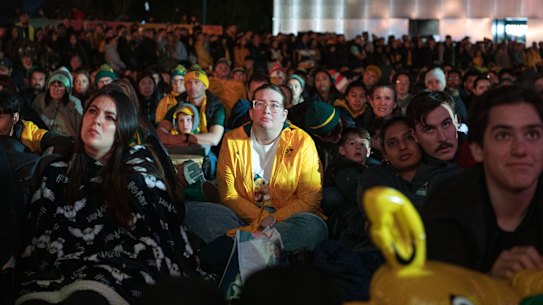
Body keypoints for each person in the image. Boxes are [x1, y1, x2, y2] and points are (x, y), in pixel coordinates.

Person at [16, 88, 201, 305]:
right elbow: (36, 238)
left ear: (122, 129)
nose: (96, 120)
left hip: (117, 275)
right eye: (92, 111)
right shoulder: (55, 171)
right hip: (54, 274)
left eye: (109, 117)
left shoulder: (140, 178)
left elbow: (159, 244)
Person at [184, 84, 327, 253]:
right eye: (260, 104)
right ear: (251, 112)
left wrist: (274, 218)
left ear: (284, 115)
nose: (267, 110)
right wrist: (260, 220)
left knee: (313, 226)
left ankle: (235, 249)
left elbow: (309, 199)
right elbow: (229, 195)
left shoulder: (303, 142)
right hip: (245, 215)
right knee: (194, 211)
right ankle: (262, 250)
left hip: (285, 218)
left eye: (274, 105)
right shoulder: (232, 140)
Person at [422, 85, 543, 279]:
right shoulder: (445, 209)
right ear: (477, 149)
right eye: (503, 135)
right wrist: (490, 283)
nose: (521, 149)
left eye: (532, 134)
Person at [160, 64, 225, 147]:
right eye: (189, 83)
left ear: (204, 86)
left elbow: (215, 138)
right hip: (180, 149)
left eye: (197, 82)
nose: (192, 86)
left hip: (208, 151)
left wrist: (186, 138)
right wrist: (170, 139)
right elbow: (161, 129)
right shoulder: (179, 105)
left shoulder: (215, 107)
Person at [31, 67, 83, 138]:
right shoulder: (40, 99)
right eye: (53, 85)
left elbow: (79, 128)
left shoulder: (74, 103)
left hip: (67, 140)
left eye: (60, 86)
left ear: (67, 89)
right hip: (43, 139)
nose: (56, 89)